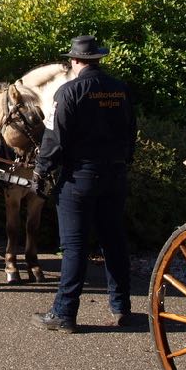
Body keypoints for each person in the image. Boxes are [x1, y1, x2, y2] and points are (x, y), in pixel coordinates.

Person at [30, 35, 137, 333]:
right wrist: (123, 161)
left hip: (80, 177)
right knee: (114, 242)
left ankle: (64, 313)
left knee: (74, 246)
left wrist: (41, 172)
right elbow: (131, 131)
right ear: (98, 59)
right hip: (114, 176)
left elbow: (54, 138)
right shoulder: (120, 90)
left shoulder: (68, 92)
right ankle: (122, 308)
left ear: (74, 61)